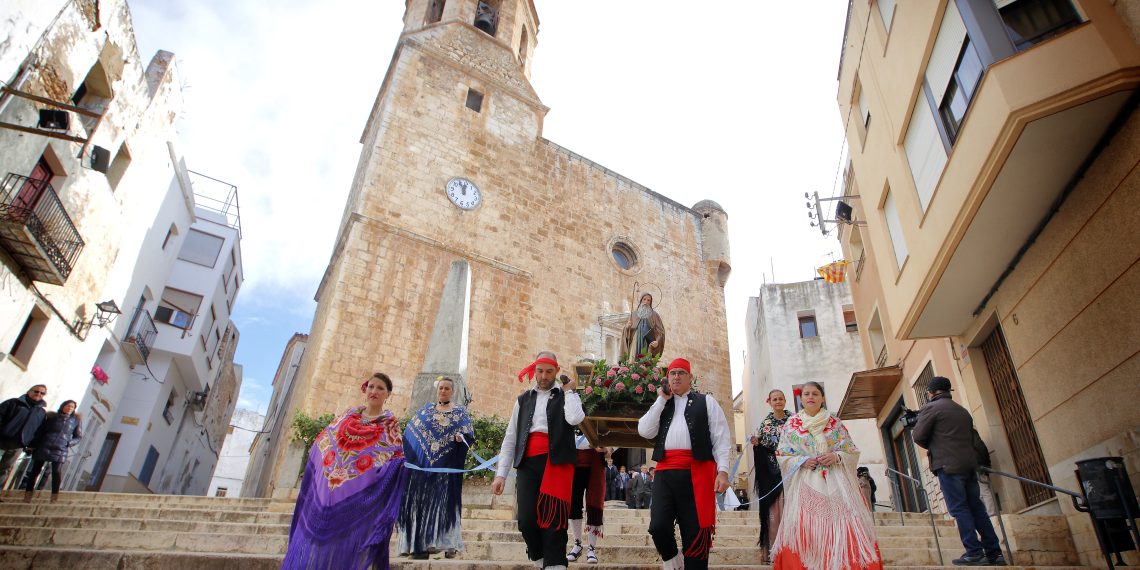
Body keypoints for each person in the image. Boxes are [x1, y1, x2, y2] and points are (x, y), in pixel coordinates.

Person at [282, 372, 408, 570]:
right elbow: (325, 442)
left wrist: (396, 468)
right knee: (321, 546)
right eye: (371, 386)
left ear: (388, 394)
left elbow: (394, 457)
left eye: (380, 388)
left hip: (360, 495)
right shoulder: (348, 415)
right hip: (331, 490)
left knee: (347, 545)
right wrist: (329, 470)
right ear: (365, 389)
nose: (374, 391)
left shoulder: (389, 423)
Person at [771, 381, 882, 570]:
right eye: (806, 394)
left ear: (822, 398)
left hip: (837, 482)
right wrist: (801, 461)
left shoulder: (835, 424)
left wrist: (836, 456)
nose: (811, 397)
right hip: (805, 481)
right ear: (801, 399)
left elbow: (852, 450)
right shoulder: (791, 425)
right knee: (806, 530)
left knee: (844, 529)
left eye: (815, 393)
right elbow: (782, 454)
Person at [491, 351, 584, 570]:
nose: (543, 376)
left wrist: (570, 392)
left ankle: (555, 564)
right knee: (526, 520)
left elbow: (575, 419)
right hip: (527, 464)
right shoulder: (523, 399)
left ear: (556, 371)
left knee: (553, 519)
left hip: (556, 463)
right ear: (534, 370)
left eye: (549, 372)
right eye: (540, 371)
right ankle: (541, 560)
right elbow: (510, 438)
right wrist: (500, 474)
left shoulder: (565, 395)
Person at [638, 358, 731, 570]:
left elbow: (721, 439)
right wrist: (661, 399)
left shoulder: (706, 402)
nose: (677, 377)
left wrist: (723, 472)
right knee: (658, 526)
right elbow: (644, 431)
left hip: (697, 473)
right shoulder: (662, 403)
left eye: (681, 373)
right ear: (667, 378)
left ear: (690, 377)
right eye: (672, 373)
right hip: (665, 472)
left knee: (696, 533)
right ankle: (673, 559)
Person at [912, 376, 1006, 566]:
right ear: (948, 391)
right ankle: (994, 553)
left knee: (959, 509)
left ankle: (974, 552)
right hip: (969, 466)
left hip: (948, 466)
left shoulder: (931, 408)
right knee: (977, 508)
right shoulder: (962, 411)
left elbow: (919, 436)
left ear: (931, 392)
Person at [397, 376, 474, 559]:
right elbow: (410, 433)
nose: (443, 391)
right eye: (441, 388)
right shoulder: (425, 411)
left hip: (447, 469)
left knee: (444, 504)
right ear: (437, 389)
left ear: (452, 391)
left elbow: (468, 435)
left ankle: (446, 544)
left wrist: (460, 439)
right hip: (423, 469)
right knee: (420, 504)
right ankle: (418, 545)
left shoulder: (460, 413)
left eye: (447, 388)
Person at [750, 388, 789, 561]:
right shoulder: (765, 424)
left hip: (793, 471)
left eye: (781, 399)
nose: (778, 402)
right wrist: (757, 444)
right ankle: (774, 552)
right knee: (774, 513)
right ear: (770, 402)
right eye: (775, 399)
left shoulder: (795, 420)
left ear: (785, 401)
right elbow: (763, 446)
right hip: (773, 475)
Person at [23, 400, 81, 503]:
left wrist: (69, 442)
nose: (70, 408)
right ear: (63, 406)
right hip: (45, 444)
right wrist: (33, 445)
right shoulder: (51, 417)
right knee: (35, 471)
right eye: (68, 406)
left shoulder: (75, 420)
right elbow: (40, 431)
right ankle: (28, 496)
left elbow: (78, 436)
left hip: (61, 448)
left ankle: (54, 498)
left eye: (72, 407)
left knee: (56, 472)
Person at [0, 385, 48, 493]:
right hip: (2, 439)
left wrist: (32, 445)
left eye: (42, 393)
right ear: (29, 391)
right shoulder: (13, 403)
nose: (39, 394)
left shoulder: (41, 412)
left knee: (4, 469)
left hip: (18, 445)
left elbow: (38, 431)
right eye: (36, 391)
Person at [566, 435, 605, 564]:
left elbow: (612, 441)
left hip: (595, 465)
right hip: (574, 465)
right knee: (574, 506)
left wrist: (609, 447)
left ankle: (591, 549)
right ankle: (577, 544)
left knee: (594, 507)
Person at [621, 293, 666, 360]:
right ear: (641, 300)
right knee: (633, 358)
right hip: (635, 340)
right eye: (644, 299)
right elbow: (628, 333)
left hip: (647, 341)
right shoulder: (633, 314)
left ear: (650, 303)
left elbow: (660, 331)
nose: (646, 302)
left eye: (648, 300)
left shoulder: (654, 315)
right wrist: (627, 328)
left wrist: (657, 341)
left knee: (645, 360)